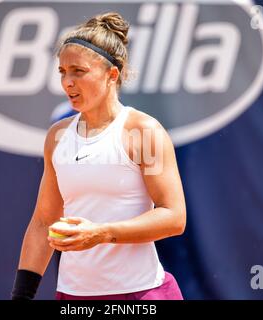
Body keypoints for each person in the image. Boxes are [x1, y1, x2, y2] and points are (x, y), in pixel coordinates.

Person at [12, 12, 186, 300]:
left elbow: (173, 217)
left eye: (78, 71)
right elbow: (43, 223)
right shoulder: (57, 137)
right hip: (73, 296)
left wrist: (102, 233)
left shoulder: (143, 131)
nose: (67, 82)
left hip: (142, 295)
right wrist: (21, 296)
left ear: (111, 75)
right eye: (62, 72)